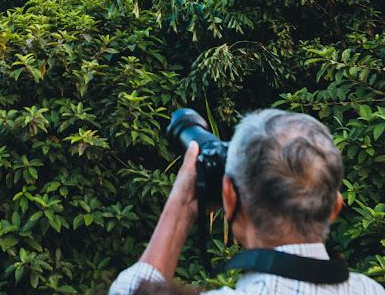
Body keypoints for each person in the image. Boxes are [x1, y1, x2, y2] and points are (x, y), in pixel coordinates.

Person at [109, 108, 385, 295]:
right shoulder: (372, 290)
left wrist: (181, 206)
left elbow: (130, 290)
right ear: (335, 207)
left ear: (230, 197)